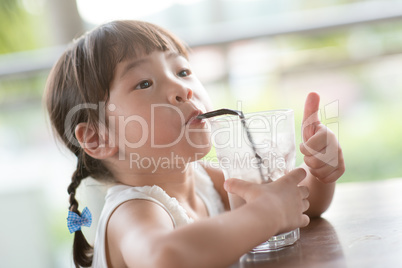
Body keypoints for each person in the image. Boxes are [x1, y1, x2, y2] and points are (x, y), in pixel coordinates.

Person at [45, 20, 345, 268]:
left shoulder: (205, 179)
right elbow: (166, 257)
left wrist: (318, 171)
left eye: (183, 71)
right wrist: (267, 214)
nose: (183, 89)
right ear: (98, 138)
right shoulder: (131, 210)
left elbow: (299, 206)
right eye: (144, 83)